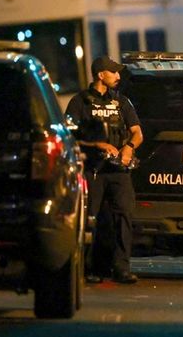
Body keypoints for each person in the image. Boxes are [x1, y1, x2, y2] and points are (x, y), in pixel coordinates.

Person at [65, 56, 143, 284]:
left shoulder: (122, 102)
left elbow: (137, 132)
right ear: (101, 75)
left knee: (124, 218)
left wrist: (128, 147)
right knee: (89, 220)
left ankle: (121, 269)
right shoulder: (80, 102)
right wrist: (96, 145)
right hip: (93, 170)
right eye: (114, 72)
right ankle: (89, 268)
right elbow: (69, 137)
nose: (118, 76)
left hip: (119, 172)